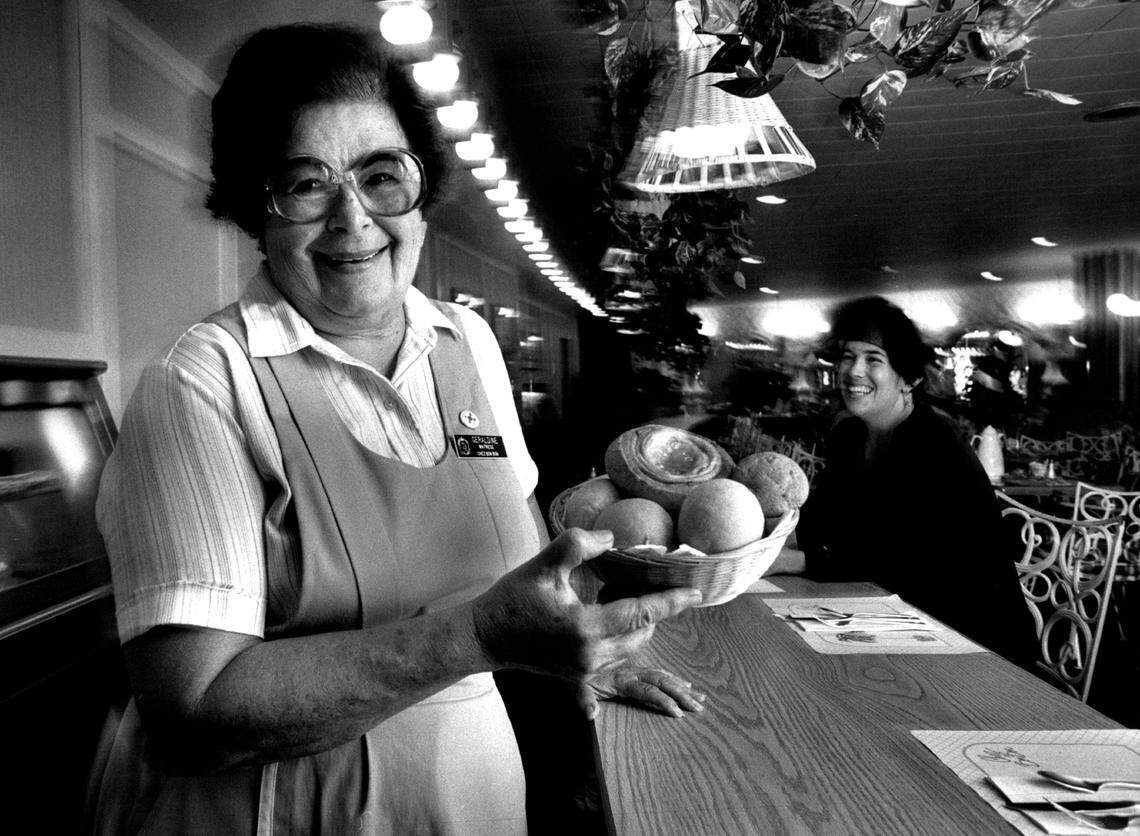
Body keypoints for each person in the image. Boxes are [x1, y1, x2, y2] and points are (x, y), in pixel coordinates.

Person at [92, 24, 704, 834]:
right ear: (253, 206)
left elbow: (521, 556)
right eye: (305, 184)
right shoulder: (200, 382)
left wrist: (577, 643)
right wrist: (479, 636)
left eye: (382, 175)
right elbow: (193, 707)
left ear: (420, 188)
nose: (353, 219)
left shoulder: (467, 342)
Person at [771, 296, 1036, 668]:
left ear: (908, 377)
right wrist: (753, 542)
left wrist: (794, 562)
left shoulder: (934, 443)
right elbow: (816, 524)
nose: (854, 371)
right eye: (848, 356)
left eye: (873, 359)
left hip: (976, 641)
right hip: (893, 623)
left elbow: (903, 561)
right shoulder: (848, 436)